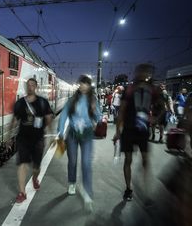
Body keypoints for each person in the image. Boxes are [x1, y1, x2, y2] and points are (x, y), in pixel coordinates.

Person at [113, 63, 160, 201]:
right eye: (143, 72)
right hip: (128, 130)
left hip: (143, 130)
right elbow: (121, 111)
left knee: (145, 160)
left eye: (147, 73)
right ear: (138, 73)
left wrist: (156, 117)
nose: (145, 75)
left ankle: (146, 191)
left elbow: (162, 106)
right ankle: (128, 189)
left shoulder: (152, 90)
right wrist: (117, 132)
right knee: (128, 160)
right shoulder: (129, 90)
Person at [57, 75, 102, 212]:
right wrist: (60, 132)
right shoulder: (72, 100)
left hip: (87, 134)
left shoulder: (93, 100)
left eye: (86, 84)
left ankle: (87, 191)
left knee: (86, 163)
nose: (83, 86)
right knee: (72, 161)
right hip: (72, 134)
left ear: (89, 86)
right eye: (81, 83)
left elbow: (99, 116)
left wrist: (96, 114)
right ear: (79, 85)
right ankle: (72, 182)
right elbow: (64, 115)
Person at [10, 78, 54, 203]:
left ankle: (35, 178)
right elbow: (14, 120)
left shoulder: (42, 102)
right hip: (23, 138)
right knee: (22, 164)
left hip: (38, 139)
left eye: (32, 85)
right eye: (28, 85)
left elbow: (48, 118)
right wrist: (9, 136)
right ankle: (22, 192)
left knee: (36, 167)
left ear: (36, 87)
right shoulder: (20, 103)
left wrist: (51, 135)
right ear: (26, 87)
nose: (30, 87)